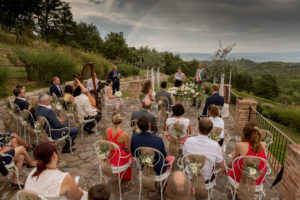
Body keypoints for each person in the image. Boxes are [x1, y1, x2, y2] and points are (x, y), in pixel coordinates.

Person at [183, 118, 224, 183]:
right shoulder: (215, 145)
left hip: (190, 176)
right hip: (206, 178)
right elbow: (221, 165)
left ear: (198, 128)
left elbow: (184, 158)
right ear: (210, 131)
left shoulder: (188, 141)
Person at [105, 113, 132, 180]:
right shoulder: (124, 135)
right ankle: (125, 176)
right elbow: (129, 150)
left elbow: (107, 144)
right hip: (118, 159)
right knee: (130, 156)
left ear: (112, 121)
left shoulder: (107, 130)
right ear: (121, 122)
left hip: (109, 156)